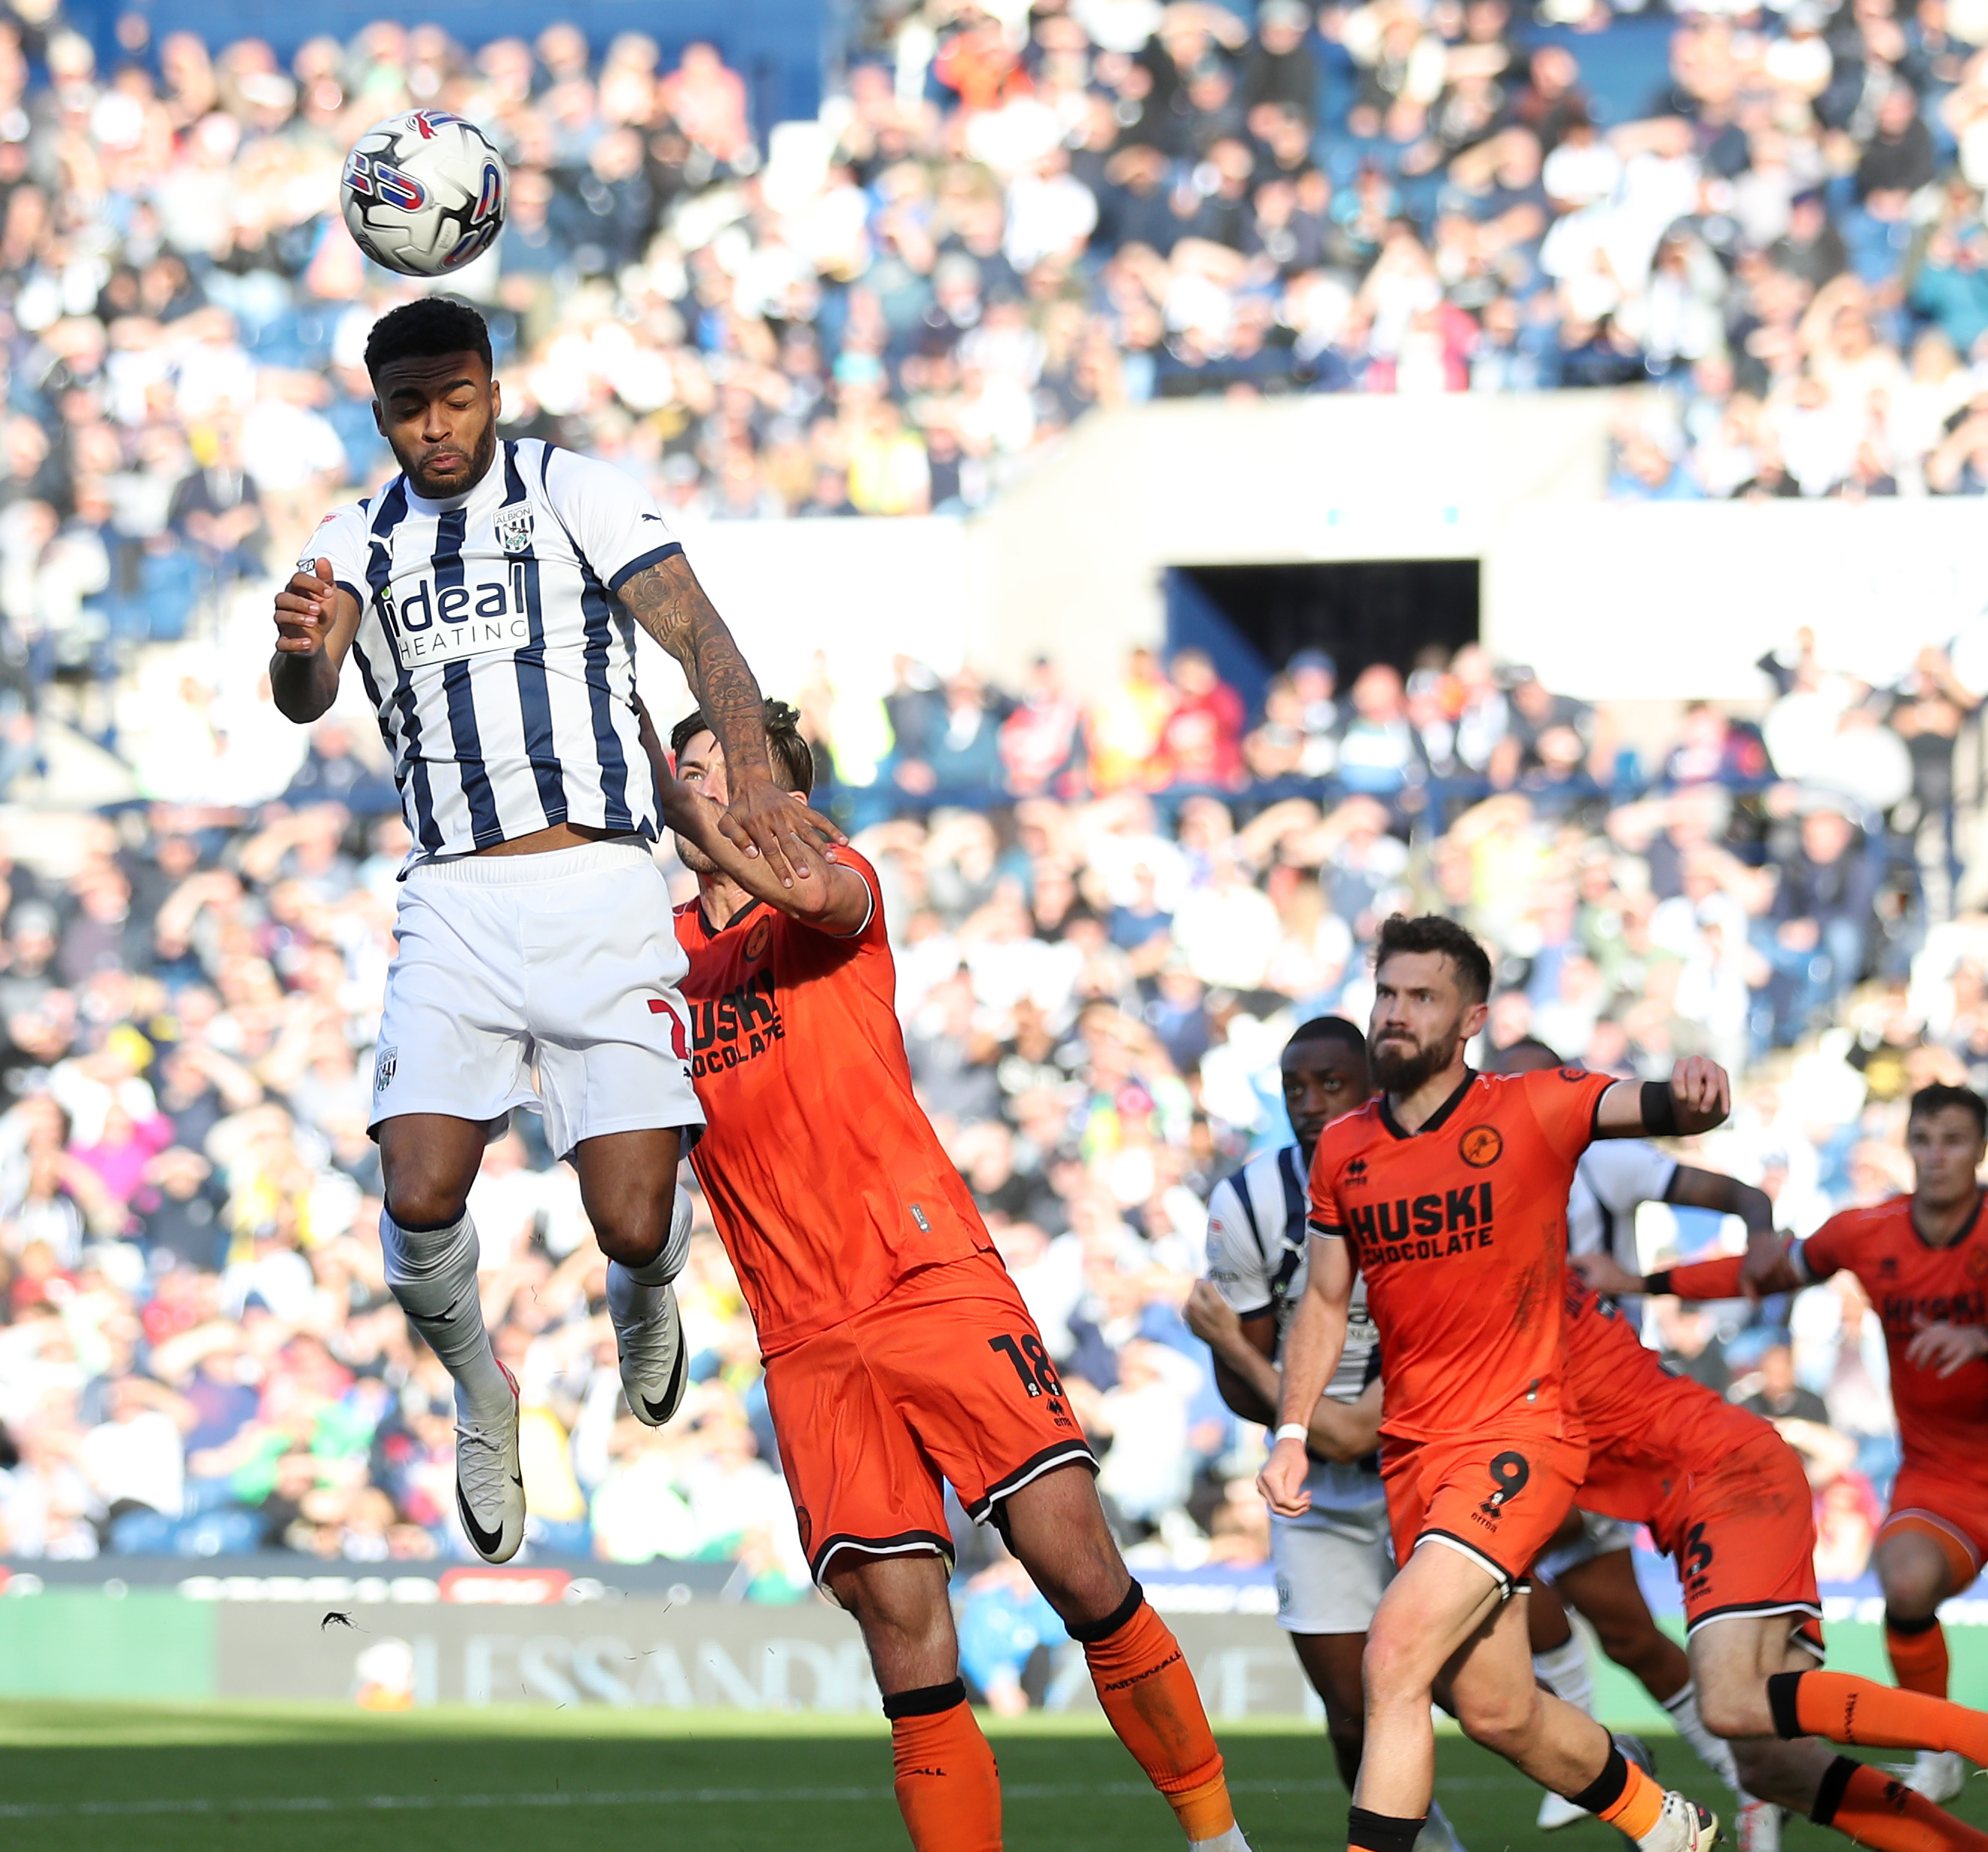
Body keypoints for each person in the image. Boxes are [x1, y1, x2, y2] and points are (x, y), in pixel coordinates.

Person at [267, 294, 833, 1562]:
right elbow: (306, 689)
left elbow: (698, 632)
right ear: (380, 414)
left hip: (602, 887)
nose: (438, 427)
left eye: (456, 398)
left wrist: (753, 771)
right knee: (417, 1193)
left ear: (493, 390)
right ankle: (483, 1391)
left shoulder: (569, 489)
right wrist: (301, 657)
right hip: (454, 896)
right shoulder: (353, 536)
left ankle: (646, 1294)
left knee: (632, 1218)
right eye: (411, 408)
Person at [648, 700, 1251, 1852]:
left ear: (789, 795)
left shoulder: (832, 883)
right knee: (901, 1635)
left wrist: (723, 835)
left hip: (927, 1278)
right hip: (802, 1334)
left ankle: (1218, 1839)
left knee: (1073, 1560)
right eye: (686, 766)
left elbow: (818, 898)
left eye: (721, 767)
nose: (695, 784)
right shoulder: (654, 960)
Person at [1261, 913, 1732, 1852]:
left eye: (1421, 997)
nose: (1396, 1013)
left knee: (1392, 1655)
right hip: (1415, 1460)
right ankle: (1666, 1823)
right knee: (1498, 1710)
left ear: (1469, 1018)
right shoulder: (1343, 1149)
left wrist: (1699, 1094)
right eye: (1387, 993)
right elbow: (1322, 1302)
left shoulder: (1533, 1107)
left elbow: (1660, 1110)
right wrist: (1289, 1430)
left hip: (1519, 1438)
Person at [1584, 1080, 1988, 1806]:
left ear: (1980, 1151)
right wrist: (1640, 1282)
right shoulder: (1869, 1231)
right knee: (1903, 1581)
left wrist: (1979, 1335)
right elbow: (1763, 1272)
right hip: (1945, 1477)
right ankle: (1941, 1747)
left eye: (1953, 1141)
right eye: (1923, 1141)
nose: (1936, 1157)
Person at [1559, 1256, 1988, 1852]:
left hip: (1722, 1476)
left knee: (1732, 1704)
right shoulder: (1502, 1280)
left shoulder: (1482, 1307)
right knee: (1773, 1767)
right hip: (1713, 1482)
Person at [1482, 1039, 1776, 1843]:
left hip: (1603, 1411)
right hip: (1516, 1409)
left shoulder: (1605, 1161)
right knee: (1605, 1621)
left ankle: (1683, 1762)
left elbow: (1743, 1194)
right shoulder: (1470, 1168)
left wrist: (1758, 1254)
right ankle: (1631, 1750)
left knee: (1592, 1612)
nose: (1516, 1103)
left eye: (1534, 1087)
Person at [1190, 1017, 1465, 1852]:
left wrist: (1244, 1352)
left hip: (1429, 1465)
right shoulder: (1244, 1201)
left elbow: (1322, 1415)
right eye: (1295, 1089)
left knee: (1493, 1701)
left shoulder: (1430, 1185)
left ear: (1374, 1087)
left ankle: (1626, 1779)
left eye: (1331, 1086)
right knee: (1352, 1717)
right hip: (1315, 1494)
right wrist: (1285, 1405)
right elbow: (1242, 1397)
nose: (1310, 1104)